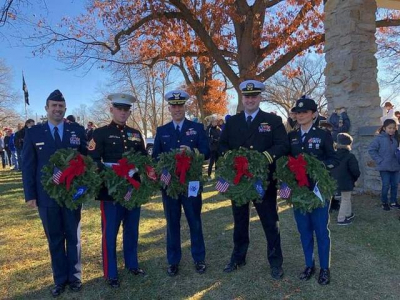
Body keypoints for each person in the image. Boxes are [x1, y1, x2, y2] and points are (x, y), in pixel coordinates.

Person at [219, 80, 289, 280]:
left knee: (270, 221)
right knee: (240, 221)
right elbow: (222, 145)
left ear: (260, 98)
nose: (250, 100)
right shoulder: (232, 121)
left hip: (263, 181)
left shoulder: (273, 121)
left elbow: (282, 145)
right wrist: (231, 159)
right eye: (247, 96)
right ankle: (238, 257)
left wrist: (264, 157)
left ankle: (275, 262)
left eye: (254, 96)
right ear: (242, 98)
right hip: (239, 181)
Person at [22, 89, 87, 297]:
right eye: (53, 106)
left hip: (72, 194)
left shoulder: (77, 131)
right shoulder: (34, 133)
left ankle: (75, 277)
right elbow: (28, 166)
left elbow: (86, 162)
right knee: (55, 238)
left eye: (60, 106)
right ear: (46, 108)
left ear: (65, 108)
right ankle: (60, 279)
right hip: (46, 196)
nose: (57, 109)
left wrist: (85, 188)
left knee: (73, 236)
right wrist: (30, 195)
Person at [88, 93, 147, 288]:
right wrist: (111, 172)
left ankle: (132, 264)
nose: (123, 112)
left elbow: (144, 159)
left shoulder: (135, 134)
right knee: (110, 232)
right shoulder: (100, 133)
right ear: (111, 109)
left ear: (129, 112)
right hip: (110, 191)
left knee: (132, 230)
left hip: (133, 189)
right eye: (119, 109)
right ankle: (111, 273)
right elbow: (93, 160)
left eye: (126, 109)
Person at [152, 90, 210, 277]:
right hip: (170, 186)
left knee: (195, 221)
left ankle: (199, 258)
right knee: (172, 223)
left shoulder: (198, 128)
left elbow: (207, 152)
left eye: (180, 106)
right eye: (173, 106)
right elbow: (155, 158)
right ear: (169, 108)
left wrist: (192, 152)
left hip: (191, 183)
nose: (177, 109)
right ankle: (173, 260)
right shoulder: (162, 131)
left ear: (185, 107)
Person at [288, 96, 339, 285]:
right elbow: (286, 162)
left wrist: (317, 168)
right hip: (299, 192)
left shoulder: (323, 135)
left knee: (321, 230)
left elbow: (334, 159)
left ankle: (325, 268)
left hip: (318, 191)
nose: (300, 115)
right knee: (304, 230)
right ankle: (309, 265)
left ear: (314, 114)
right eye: (298, 112)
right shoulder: (291, 136)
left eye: (305, 112)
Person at [368, 119, 400, 211]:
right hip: (384, 166)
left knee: (395, 185)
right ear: (385, 128)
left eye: (394, 128)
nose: (392, 130)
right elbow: (371, 150)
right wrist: (380, 160)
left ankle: (393, 202)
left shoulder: (396, 138)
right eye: (390, 128)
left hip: (396, 166)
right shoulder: (379, 138)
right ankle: (384, 202)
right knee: (386, 185)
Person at [330, 133, 360, 225]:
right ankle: (341, 219)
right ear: (349, 144)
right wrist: (355, 179)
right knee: (346, 199)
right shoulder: (350, 156)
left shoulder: (332, 155)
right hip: (346, 180)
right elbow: (355, 170)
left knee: (346, 198)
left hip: (334, 180)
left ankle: (348, 213)